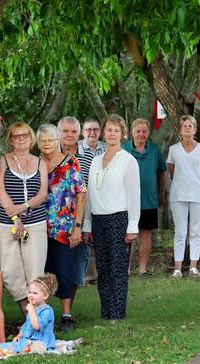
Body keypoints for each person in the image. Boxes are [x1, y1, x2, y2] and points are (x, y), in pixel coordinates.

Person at [82, 114, 140, 320]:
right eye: (109, 130)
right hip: (98, 219)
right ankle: (106, 311)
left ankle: (117, 313)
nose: (112, 133)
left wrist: (132, 226)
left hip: (119, 219)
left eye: (117, 130)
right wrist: (87, 224)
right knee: (103, 268)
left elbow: (134, 195)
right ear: (102, 133)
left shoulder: (128, 161)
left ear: (123, 134)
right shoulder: (96, 161)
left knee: (117, 268)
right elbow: (89, 194)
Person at [0, 122, 48, 317]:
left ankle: (38, 318)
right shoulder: (2, 160)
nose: (21, 138)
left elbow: (42, 194)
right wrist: (16, 218)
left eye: (25, 135)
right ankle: (28, 316)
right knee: (11, 274)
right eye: (17, 136)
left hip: (35, 223)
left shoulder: (40, 162)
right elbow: (0, 191)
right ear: (10, 140)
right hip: (5, 223)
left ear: (31, 138)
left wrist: (23, 207)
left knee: (35, 273)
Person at [38, 123, 86, 332]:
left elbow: (81, 193)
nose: (47, 144)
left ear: (57, 141)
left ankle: (67, 315)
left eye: (51, 140)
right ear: (38, 144)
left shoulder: (70, 162)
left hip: (65, 229)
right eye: (43, 140)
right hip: (38, 228)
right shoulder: (35, 164)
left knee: (65, 271)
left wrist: (77, 227)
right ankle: (43, 314)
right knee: (42, 272)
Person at [0, 273, 59, 357]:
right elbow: (27, 325)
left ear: (45, 296)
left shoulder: (47, 311)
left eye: (35, 293)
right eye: (30, 292)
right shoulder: (32, 309)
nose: (30, 295)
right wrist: (19, 335)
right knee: (6, 346)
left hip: (41, 342)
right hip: (27, 340)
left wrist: (31, 311)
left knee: (12, 349)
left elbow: (37, 326)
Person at [167, 115, 200, 278]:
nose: (187, 128)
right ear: (180, 130)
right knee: (180, 231)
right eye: (184, 126)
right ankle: (177, 269)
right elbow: (171, 170)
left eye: (190, 125)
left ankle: (193, 267)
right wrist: (183, 181)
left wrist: (195, 182)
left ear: (195, 129)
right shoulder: (173, 150)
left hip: (198, 194)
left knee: (196, 231)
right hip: (178, 194)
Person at [123, 118, 166, 275]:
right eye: (138, 131)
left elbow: (161, 173)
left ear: (148, 133)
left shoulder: (154, 150)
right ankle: (125, 269)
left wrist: (161, 195)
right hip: (126, 201)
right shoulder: (123, 149)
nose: (141, 134)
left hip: (149, 200)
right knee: (127, 235)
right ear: (132, 132)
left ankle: (142, 269)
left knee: (146, 234)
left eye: (144, 131)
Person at [57, 117, 92, 288]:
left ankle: (67, 312)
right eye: (65, 131)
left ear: (79, 133)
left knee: (75, 271)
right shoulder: (48, 155)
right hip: (53, 224)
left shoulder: (88, 158)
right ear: (58, 133)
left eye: (73, 131)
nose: (69, 135)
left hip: (79, 222)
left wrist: (86, 225)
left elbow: (89, 194)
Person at [78, 119, 106, 285]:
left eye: (95, 129)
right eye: (88, 130)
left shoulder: (106, 148)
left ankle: (98, 274)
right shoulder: (77, 148)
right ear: (83, 132)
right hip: (82, 198)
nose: (92, 133)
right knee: (83, 235)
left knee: (99, 236)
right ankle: (86, 275)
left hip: (102, 198)